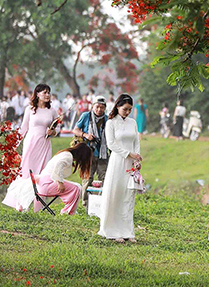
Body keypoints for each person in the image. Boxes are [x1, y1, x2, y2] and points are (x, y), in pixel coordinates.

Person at [2, 84, 62, 212]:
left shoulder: (52, 111)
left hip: (45, 144)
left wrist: (52, 132)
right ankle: (21, 204)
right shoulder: (30, 109)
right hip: (31, 144)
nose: (47, 95)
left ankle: (38, 206)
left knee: (43, 174)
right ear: (38, 94)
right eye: (44, 92)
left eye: (48, 93)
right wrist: (13, 145)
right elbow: (24, 128)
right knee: (26, 173)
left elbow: (56, 129)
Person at [99, 94, 142, 242]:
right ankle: (111, 229)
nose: (127, 112)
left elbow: (136, 141)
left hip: (131, 164)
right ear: (117, 106)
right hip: (118, 161)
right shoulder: (111, 123)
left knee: (128, 197)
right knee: (115, 194)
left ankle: (127, 231)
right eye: (125, 109)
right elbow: (111, 144)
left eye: (130, 109)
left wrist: (137, 157)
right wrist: (128, 154)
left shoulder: (133, 123)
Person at [73, 96, 110, 206]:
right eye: (97, 107)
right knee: (87, 178)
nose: (99, 110)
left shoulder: (108, 120)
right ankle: (86, 203)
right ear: (93, 106)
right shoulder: (86, 116)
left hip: (102, 154)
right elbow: (75, 130)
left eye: (102, 107)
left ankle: (102, 203)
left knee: (104, 178)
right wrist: (85, 135)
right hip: (88, 153)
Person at [36, 143, 92, 215]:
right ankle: (68, 211)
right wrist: (60, 183)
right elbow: (59, 164)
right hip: (47, 184)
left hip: (44, 182)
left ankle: (70, 209)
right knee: (76, 188)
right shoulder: (67, 157)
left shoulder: (65, 154)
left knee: (76, 186)